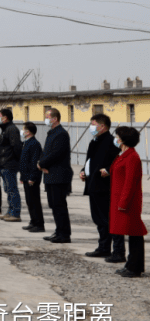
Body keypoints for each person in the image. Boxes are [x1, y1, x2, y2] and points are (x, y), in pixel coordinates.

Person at [81, 114, 123, 260]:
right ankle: (103, 247)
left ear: (103, 126)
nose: (91, 127)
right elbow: (90, 160)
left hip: (105, 187)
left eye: (93, 124)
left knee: (109, 219)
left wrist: (108, 169)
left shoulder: (112, 142)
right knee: (98, 219)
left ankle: (118, 251)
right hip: (93, 185)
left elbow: (117, 162)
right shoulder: (94, 141)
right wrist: (83, 171)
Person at [109, 126, 146, 278]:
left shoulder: (132, 157)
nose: (116, 139)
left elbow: (130, 182)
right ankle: (131, 264)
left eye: (117, 136)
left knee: (135, 233)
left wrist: (123, 202)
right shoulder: (124, 155)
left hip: (128, 202)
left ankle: (135, 267)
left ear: (123, 139)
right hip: (119, 198)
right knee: (131, 234)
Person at [38, 108, 73, 244]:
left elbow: (56, 154)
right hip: (50, 174)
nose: (45, 119)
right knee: (53, 205)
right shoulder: (52, 133)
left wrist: (42, 163)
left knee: (59, 205)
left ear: (55, 119)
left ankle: (64, 234)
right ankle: (58, 231)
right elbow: (46, 151)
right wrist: (41, 163)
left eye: (47, 116)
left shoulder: (61, 134)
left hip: (58, 174)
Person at [0, 108, 23, 222]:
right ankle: (10, 211)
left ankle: (15, 212)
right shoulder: (5, 129)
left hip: (9, 164)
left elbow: (16, 147)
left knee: (12, 189)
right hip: (4, 164)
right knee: (7, 189)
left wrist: (13, 161)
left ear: (5, 117)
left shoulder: (12, 129)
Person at [19, 123, 45, 233]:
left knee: (34, 201)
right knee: (29, 201)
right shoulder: (27, 143)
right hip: (26, 176)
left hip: (32, 177)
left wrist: (32, 177)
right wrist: (22, 176)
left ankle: (39, 224)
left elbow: (35, 162)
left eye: (24, 129)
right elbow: (24, 162)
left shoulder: (34, 144)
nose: (22, 131)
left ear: (28, 131)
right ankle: (33, 221)